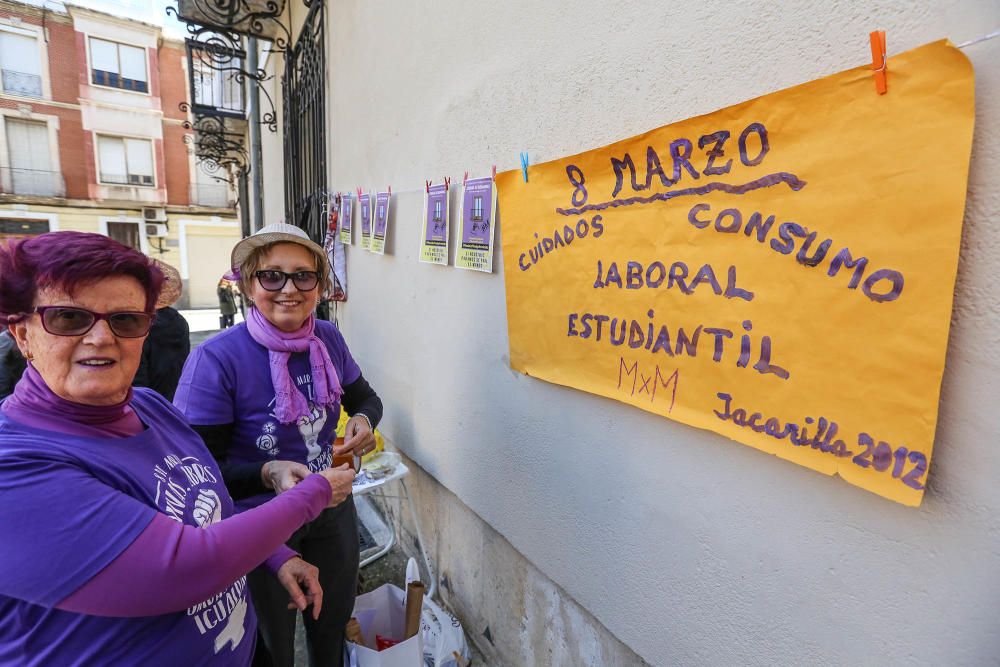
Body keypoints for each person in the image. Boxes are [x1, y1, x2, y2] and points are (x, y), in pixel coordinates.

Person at [0, 231, 357, 666]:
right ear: (22, 335)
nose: (101, 338)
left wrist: (275, 554)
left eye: (126, 320)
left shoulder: (150, 406)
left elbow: (214, 504)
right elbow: (185, 567)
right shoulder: (15, 465)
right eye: (69, 318)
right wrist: (315, 493)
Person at [175, 222, 383, 667]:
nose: (289, 288)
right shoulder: (215, 360)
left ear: (319, 286)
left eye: (303, 276)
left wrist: (363, 420)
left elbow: (364, 397)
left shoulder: (326, 338)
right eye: (272, 276)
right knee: (272, 644)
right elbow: (198, 473)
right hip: (257, 524)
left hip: (330, 508)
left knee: (332, 623)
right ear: (250, 285)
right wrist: (268, 472)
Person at [133, 261, 190, 400]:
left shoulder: (139, 324)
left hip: (148, 403)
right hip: (177, 397)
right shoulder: (179, 320)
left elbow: (137, 378)